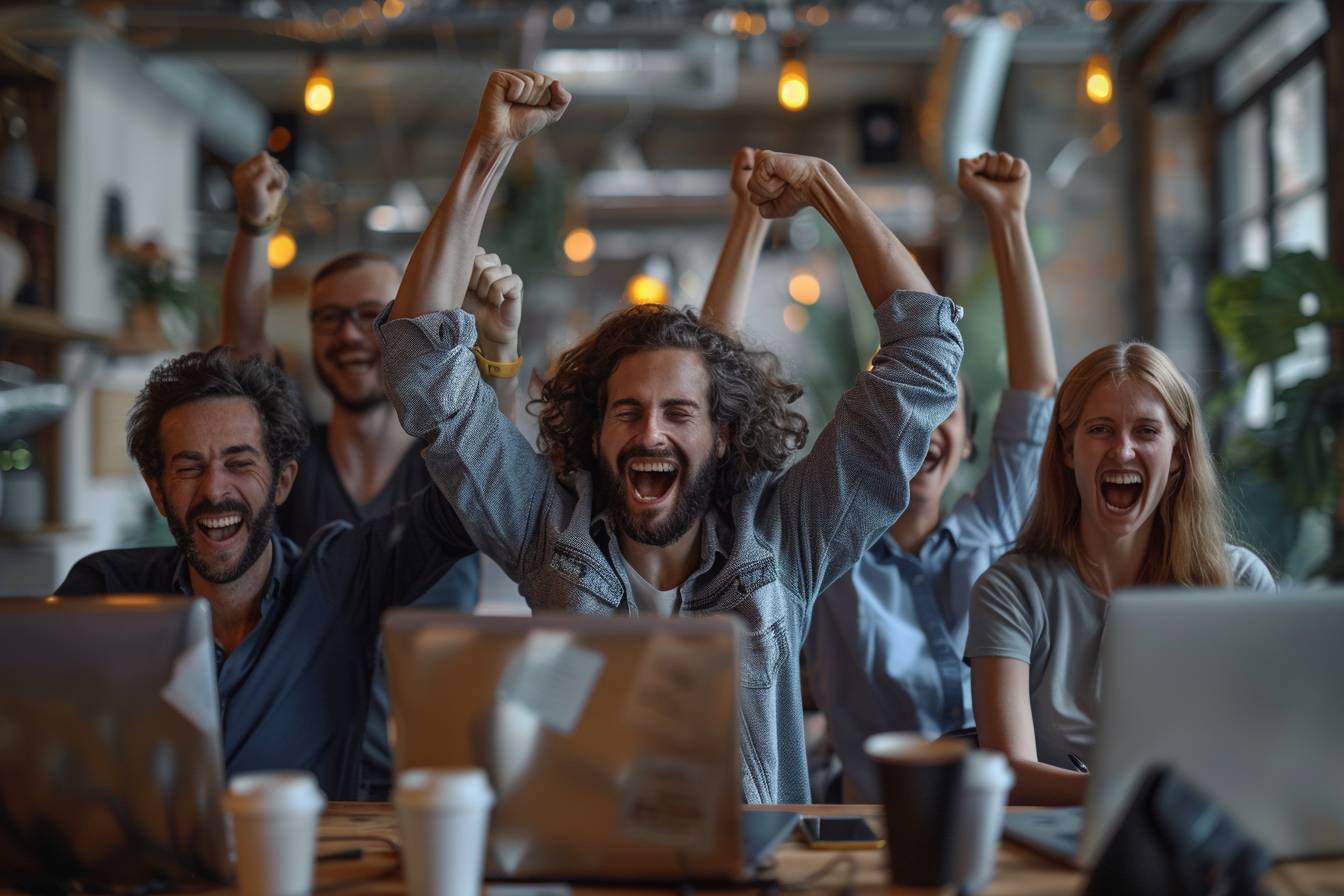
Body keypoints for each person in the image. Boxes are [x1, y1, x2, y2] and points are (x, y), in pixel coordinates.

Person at [375, 69, 965, 803]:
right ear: (595, 433)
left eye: (677, 414)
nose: (649, 432)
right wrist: (489, 149)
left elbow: (926, 357)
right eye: (627, 412)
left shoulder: (787, 538)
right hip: (583, 868)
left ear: (722, 435)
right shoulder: (543, 529)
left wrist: (825, 187)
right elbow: (421, 364)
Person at [220, 158, 522, 798]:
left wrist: (495, 352)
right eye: (328, 317)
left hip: (434, 781)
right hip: (305, 781)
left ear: (401, 328)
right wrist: (253, 227)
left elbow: (498, 449)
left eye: (369, 314)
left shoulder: (449, 469)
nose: (350, 335)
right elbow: (244, 338)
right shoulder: (286, 463)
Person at [54, 348, 477, 801]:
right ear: (158, 491)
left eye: (239, 463)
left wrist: (494, 362)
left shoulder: (342, 578)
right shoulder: (105, 591)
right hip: (148, 868)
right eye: (189, 467)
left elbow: (471, 490)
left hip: (309, 865)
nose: (214, 489)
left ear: (282, 482)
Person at [799, 152, 1057, 803]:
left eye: (946, 413)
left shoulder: (992, 528)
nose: (925, 429)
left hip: (1002, 814)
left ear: (970, 439)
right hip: (875, 829)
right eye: (910, 414)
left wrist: (1008, 219)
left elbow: (1036, 388)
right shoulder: (830, 555)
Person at [964, 342, 1275, 805]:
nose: (1123, 450)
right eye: (1100, 430)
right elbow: (1010, 775)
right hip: (1057, 855)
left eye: (1147, 430)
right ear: (1068, 449)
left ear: (1177, 455)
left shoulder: (1242, 584)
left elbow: (1269, 755)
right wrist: (1134, 795)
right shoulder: (1010, 591)